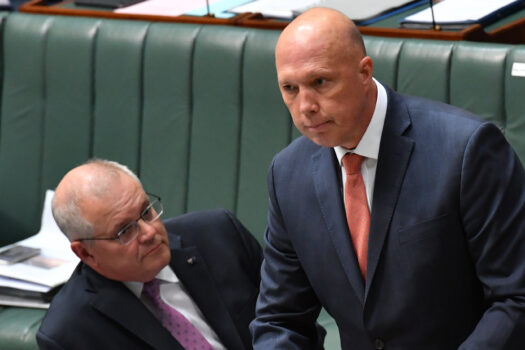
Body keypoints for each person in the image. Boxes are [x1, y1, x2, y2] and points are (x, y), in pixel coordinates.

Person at [250, 7, 525, 350]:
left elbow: (515, 299)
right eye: (290, 88)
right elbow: (279, 319)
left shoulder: (466, 150)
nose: (305, 105)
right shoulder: (288, 174)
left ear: (364, 72)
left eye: (320, 82)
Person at [37, 159, 263, 350]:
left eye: (146, 212)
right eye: (124, 231)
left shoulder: (219, 234)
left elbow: (289, 315)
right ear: (86, 253)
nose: (150, 232)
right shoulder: (69, 333)